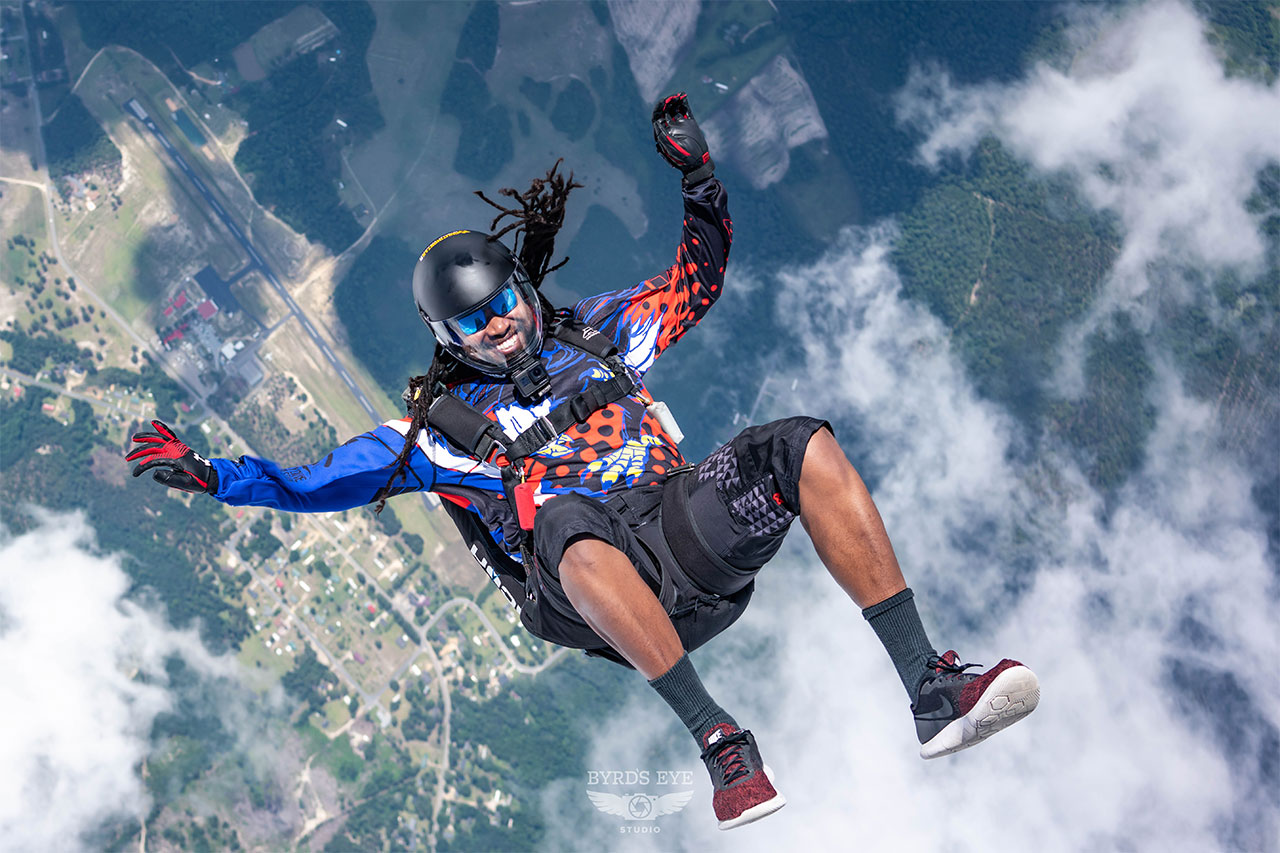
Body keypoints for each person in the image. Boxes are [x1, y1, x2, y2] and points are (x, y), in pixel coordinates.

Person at [127, 93, 1039, 830]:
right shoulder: (439, 432)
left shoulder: (603, 334)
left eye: (506, 303)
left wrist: (699, 179)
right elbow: (319, 482)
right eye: (475, 323)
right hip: (586, 585)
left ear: (524, 288)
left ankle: (930, 685)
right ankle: (720, 741)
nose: (501, 325)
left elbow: (698, 279)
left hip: (686, 541)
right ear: (449, 338)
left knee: (799, 443)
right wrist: (213, 475)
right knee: (562, 514)